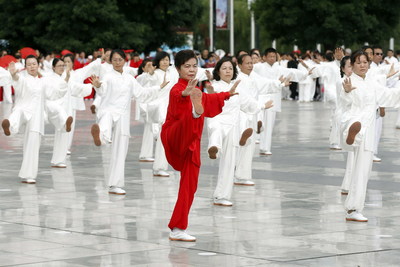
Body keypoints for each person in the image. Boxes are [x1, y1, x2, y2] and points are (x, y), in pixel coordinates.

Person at [161, 50, 237, 242]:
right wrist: (185, 94)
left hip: (192, 145)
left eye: (195, 65)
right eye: (187, 66)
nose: (192, 70)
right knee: (189, 115)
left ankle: (178, 228)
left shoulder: (197, 90)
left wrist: (227, 94)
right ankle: (195, 114)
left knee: (189, 186)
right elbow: (178, 98)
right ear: (178, 69)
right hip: (176, 136)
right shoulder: (176, 89)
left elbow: (210, 100)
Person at [89, 49, 168, 195]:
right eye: (114, 60)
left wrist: (159, 87)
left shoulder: (129, 79)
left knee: (120, 150)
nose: (117, 62)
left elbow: (142, 94)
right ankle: (100, 138)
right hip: (109, 111)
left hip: (123, 116)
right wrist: (98, 85)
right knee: (104, 124)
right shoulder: (107, 76)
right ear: (110, 61)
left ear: (125, 61)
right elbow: (103, 89)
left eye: (120, 60)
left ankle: (115, 184)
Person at [340, 50, 400, 222]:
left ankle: (353, 209)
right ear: (352, 65)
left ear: (369, 63)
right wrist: (346, 92)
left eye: (365, 62)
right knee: (360, 168)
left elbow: (389, 95)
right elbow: (344, 102)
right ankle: (353, 209)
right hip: (354, 122)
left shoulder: (372, 84)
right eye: (358, 62)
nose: (362, 65)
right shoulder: (349, 81)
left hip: (368, 130)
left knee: (363, 170)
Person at [1, 56, 64, 184]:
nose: (32, 66)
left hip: (36, 117)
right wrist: (13, 74)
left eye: (34, 64)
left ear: (38, 65)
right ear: (26, 67)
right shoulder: (24, 79)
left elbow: (53, 93)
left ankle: (28, 175)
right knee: (17, 114)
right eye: (29, 64)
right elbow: (17, 80)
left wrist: (65, 84)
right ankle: (10, 127)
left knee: (32, 144)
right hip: (23, 110)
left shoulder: (43, 82)